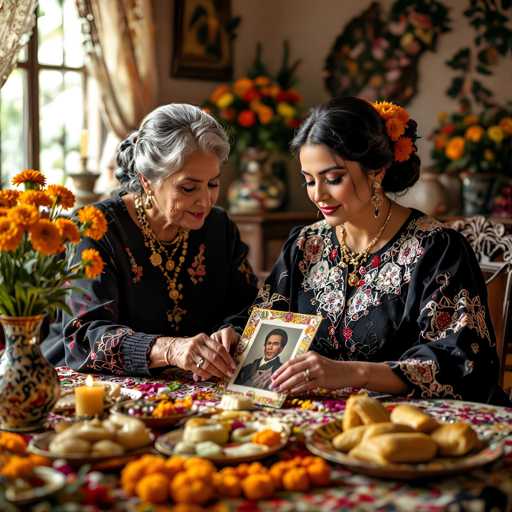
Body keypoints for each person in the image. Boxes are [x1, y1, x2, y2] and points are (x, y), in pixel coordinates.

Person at [233, 96, 502, 403]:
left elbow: (463, 363)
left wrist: (353, 373)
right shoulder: (306, 245)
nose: (318, 195)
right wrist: (231, 335)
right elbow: (263, 320)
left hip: (410, 423)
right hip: (316, 416)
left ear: (377, 172)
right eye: (309, 181)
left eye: (333, 179)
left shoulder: (436, 249)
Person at [42, 103, 258, 379]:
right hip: (85, 387)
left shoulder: (219, 227)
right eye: (188, 187)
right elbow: (85, 337)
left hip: (185, 388)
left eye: (213, 184)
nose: (205, 200)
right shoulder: (95, 228)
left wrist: (235, 331)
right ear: (147, 181)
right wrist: (170, 349)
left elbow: (249, 305)